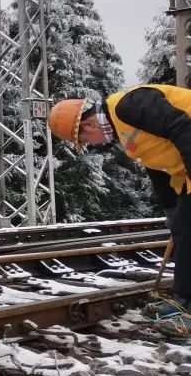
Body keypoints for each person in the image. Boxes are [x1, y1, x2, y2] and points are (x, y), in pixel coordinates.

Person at [48, 86, 191, 330]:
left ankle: (186, 306)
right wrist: (170, 207)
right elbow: (156, 166)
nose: (91, 145)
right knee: (184, 229)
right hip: (185, 178)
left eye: (85, 141)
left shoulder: (128, 105)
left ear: (89, 125)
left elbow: (182, 126)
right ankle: (184, 300)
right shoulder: (124, 134)